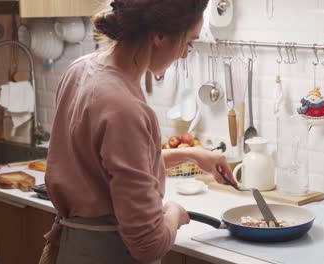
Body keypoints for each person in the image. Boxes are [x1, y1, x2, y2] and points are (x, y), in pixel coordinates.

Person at [41, 0, 235, 263]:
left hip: (76, 249)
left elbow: (107, 169)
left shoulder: (81, 69)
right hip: (107, 254)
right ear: (160, 36)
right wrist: (174, 214)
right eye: (188, 42)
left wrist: (191, 154)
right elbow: (148, 244)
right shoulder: (123, 106)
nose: (185, 54)